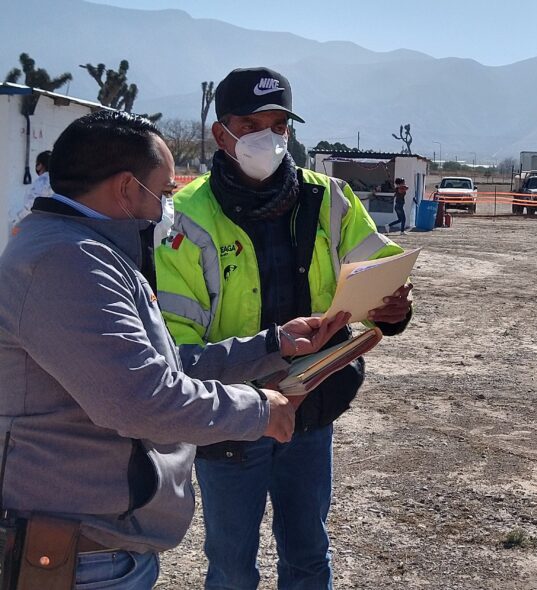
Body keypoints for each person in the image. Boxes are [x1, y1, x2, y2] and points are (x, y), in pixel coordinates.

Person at [0, 109, 349, 589]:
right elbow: (137, 397)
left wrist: (273, 345)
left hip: (94, 548)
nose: (168, 208)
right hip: (76, 556)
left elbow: (162, 365)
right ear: (126, 189)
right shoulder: (68, 261)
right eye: (163, 193)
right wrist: (258, 409)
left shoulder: (92, 253)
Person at [154, 67, 413, 590]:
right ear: (220, 133)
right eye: (250, 124)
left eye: (278, 124)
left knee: (309, 553)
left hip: (311, 404)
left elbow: (379, 270)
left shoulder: (330, 199)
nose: (266, 138)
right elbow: (176, 343)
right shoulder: (183, 217)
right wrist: (255, 382)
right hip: (230, 415)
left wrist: (393, 307)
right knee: (230, 564)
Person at [10, 149, 53, 230]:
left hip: (39, 224)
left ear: (39, 165)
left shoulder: (42, 181)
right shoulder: (56, 181)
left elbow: (31, 204)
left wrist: (18, 220)